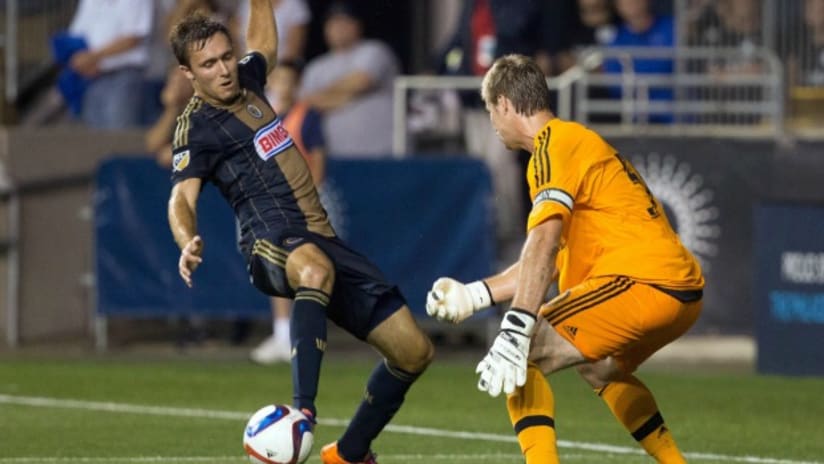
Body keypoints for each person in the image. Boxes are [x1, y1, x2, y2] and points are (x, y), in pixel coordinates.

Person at [166, 3, 433, 464]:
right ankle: (301, 412)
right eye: (209, 64)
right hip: (267, 241)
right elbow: (182, 199)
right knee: (313, 267)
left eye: (227, 56)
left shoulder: (247, 79)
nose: (225, 69)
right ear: (188, 73)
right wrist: (186, 239)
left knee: (414, 352)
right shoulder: (196, 128)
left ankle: (349, 453)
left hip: (320, 237)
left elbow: (265, 44)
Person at [426, 54, 704, 464]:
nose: (492, 122)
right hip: (678, 290)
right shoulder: (572, 143)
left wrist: (516, 326)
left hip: (644, 283)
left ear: (504, 103)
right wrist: (475, 295)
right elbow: (547, 259)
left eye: (490, 110)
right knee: (599, 369)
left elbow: (543, 241)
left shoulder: (552, 146)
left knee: (524, 352)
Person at [250, 60, 327, 365]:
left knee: (306, 271)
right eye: (277, 79)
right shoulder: (261, 118)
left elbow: (318, 161)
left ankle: (303, 336)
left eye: (288, 80)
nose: (282, 85)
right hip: (272, 204)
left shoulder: (305, 117)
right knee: (275, 268)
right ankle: (283, 335)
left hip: (300, 206)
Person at [298, 1, 400, 157]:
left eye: (346, 22)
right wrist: (347, 95)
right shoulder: (315, 67)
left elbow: (361, 81)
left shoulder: (375, 50)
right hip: (336, 156)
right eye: (334, 22)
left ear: (358, 26)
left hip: (384, 154)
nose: (339, 28)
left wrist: (329, 97)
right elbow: (306, 103)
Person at [66, 0, 154, 129]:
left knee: (119, 133)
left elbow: (133, 37)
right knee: (94, 134)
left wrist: (92, 57)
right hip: (93, 77)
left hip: (125, 75)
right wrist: (82, 61)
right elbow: (75, 33)